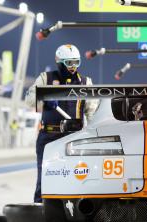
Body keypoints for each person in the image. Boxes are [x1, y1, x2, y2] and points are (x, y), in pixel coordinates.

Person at [25, 44, 98, 203]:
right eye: (69, 63)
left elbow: (92, 112)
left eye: (76, 62)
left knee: (77, 178)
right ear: (59, 61)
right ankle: (41, 216)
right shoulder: (45, 78)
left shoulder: (86, 82)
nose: (73, 67)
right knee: (43, 180)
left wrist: (93, 135)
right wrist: (44, 99)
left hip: (74, 137)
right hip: (48, 136)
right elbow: (29, 100)